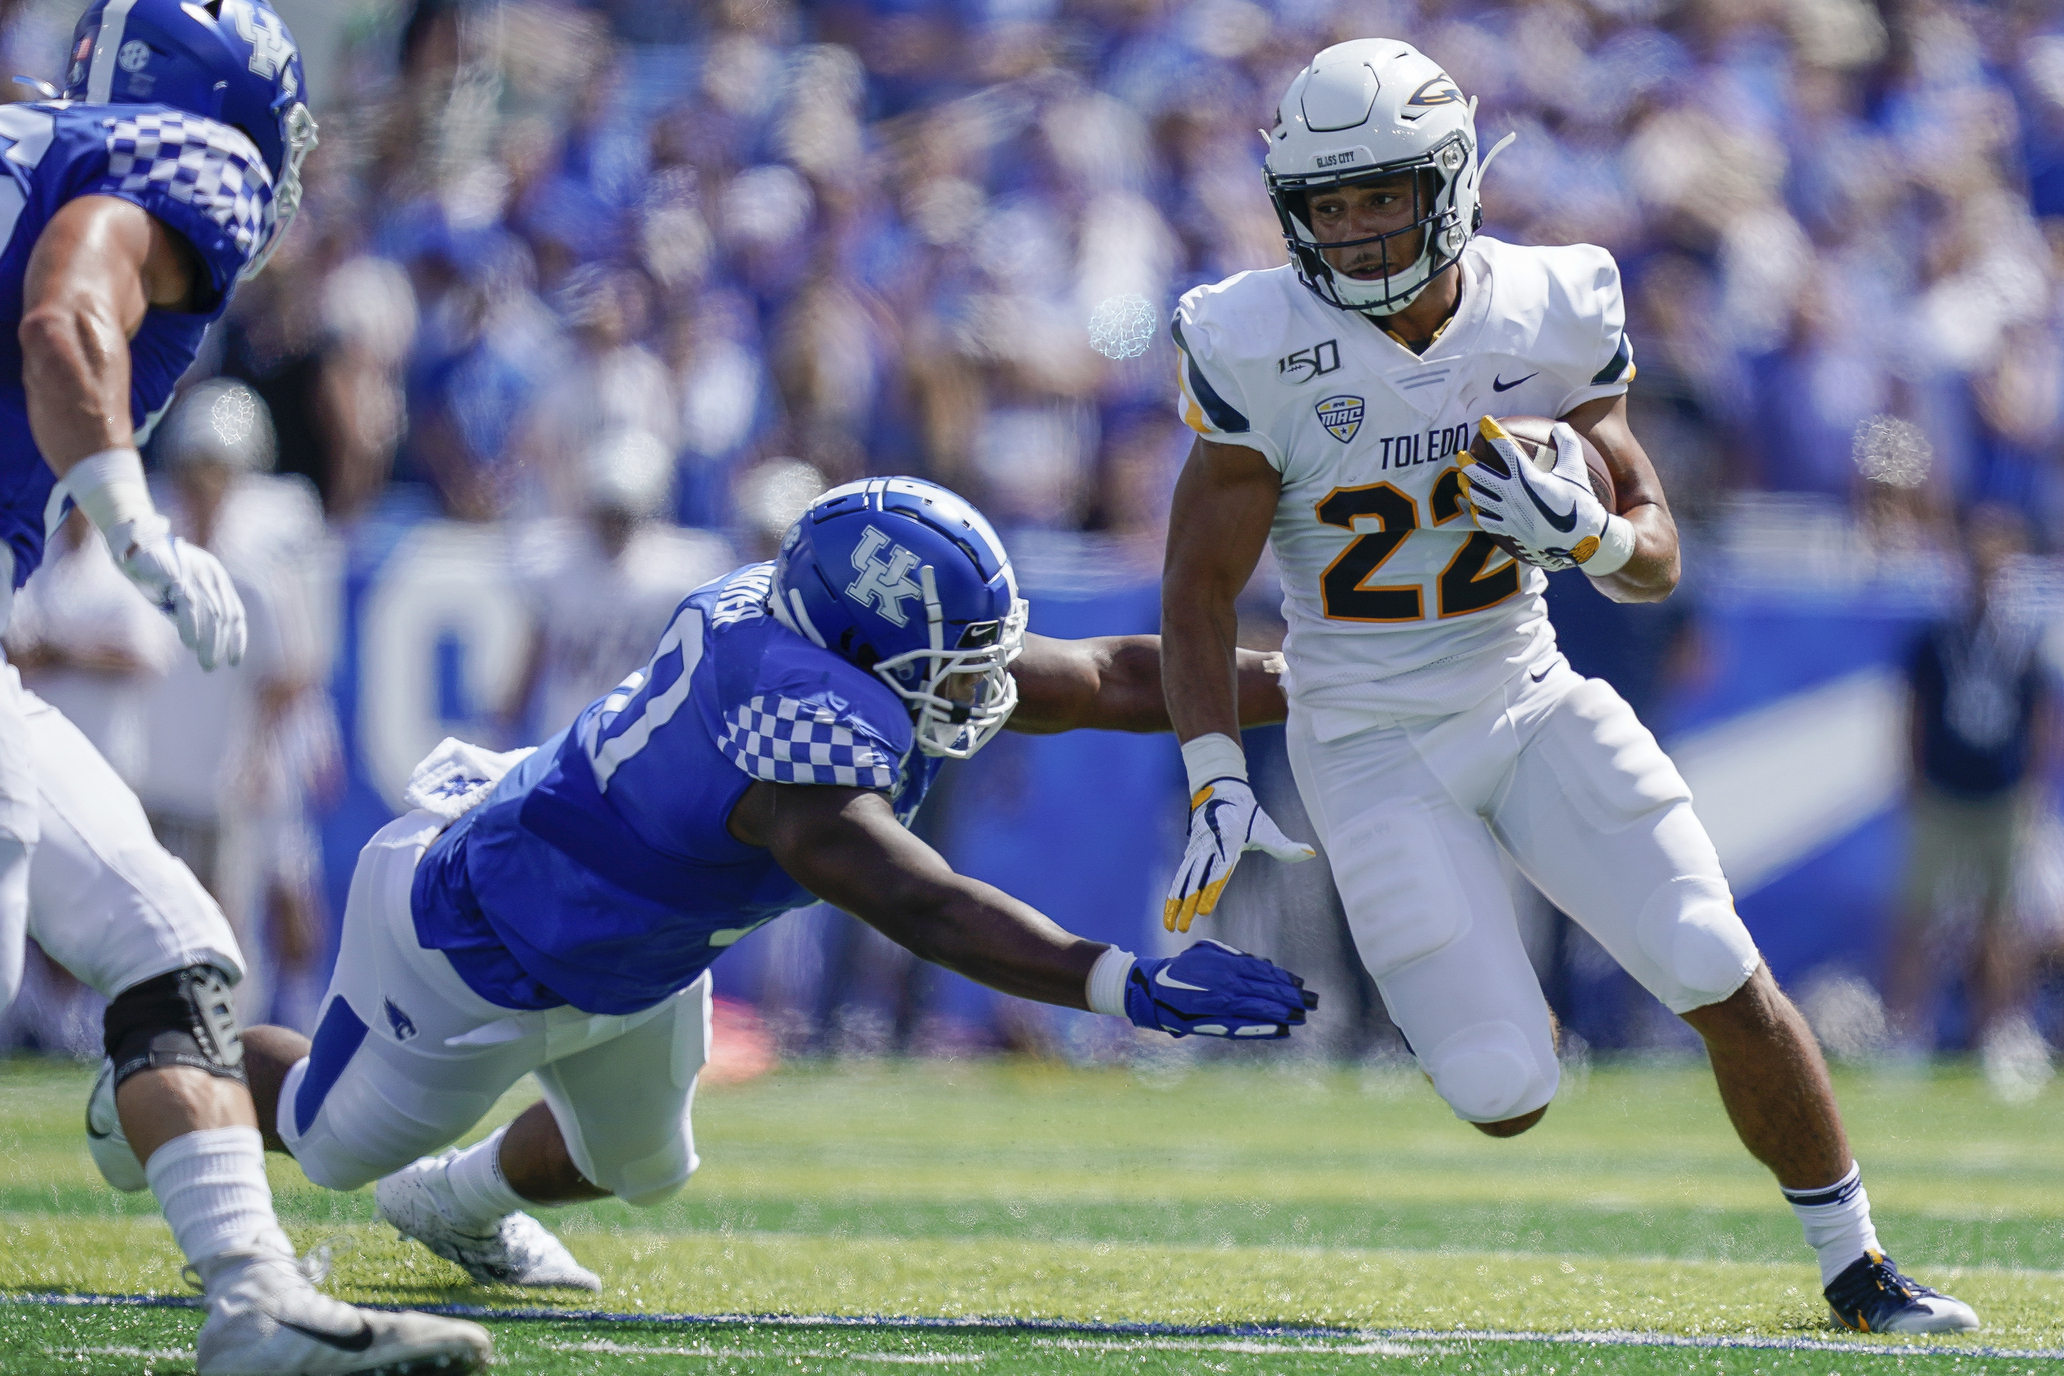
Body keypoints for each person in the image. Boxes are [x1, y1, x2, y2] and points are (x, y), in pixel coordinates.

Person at [1155, 39, 1977, 1336]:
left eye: (1384, 196)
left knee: (1713, 957)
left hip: (1528, 692)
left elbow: (1655, 558)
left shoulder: (1552, 306)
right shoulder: (1255, 337)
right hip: (1369, 741)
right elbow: (1197, 588)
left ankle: (1860, 1268)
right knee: (1504, 1089)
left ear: (1450, 187)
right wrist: (1212, 774)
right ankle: (1483, 965)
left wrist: (1582, 532)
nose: (1360, 232)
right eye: (1332, 204)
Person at [89, 477, 1317, 1292]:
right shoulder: (795, 723)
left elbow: (1101, 673)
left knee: (643, 1164)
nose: (978, 691)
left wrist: (1318, 681)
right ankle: (152, 1067)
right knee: (326, 1136)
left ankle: (452, 1202)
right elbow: (921, 900)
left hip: (638, 950)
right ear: (856, 652)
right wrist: (1120, 981)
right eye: (950, 667)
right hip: (472, 935)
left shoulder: (829, 641)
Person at [0, 1, 489, 1371]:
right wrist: (133, 518)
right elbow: (62, 312)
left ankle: (254, 1304)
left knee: (175, 949)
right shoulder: (181, 158)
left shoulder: (33, 137)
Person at [1887, 506, 2049, 1053]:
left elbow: (2040, 722)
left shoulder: (2024, 642)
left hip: (2001, 796)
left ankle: (2000, 1034)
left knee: (2001, 924)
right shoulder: (1937, 638)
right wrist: (1913, 780)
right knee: (1919, 916)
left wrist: (2030, 789)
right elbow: (1914, 712)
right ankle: (1906, 1033)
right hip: (1943, 792)